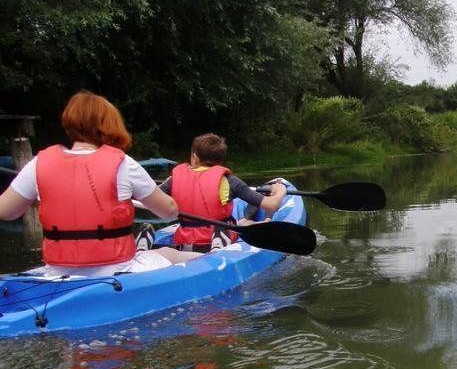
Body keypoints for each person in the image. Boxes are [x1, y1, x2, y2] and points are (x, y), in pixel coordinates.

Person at [0, 90, 200, 276]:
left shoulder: (39, 163)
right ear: (109, 125)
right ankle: (220, 257)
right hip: (116, 270)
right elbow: (169, 211)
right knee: (168, 253)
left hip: (57, 272)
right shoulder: (122, 163)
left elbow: (6, 211)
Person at [155, 133, 286, 252]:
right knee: (238, 223)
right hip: (218, 238)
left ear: (194, 157)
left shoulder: (175, 179)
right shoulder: (229, 181)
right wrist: (280, 190)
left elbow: (151, 197)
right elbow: (272, 205)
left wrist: (169, 182)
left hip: (185, 242)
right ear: (220, 160)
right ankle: (219, 241)